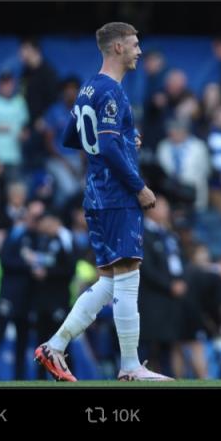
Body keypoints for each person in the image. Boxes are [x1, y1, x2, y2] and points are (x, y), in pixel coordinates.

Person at [34, 22, 172, 382]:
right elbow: (106, 145)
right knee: (128, 277)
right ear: (118, 48)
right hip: (116, 196)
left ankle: (54, 346)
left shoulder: (88, 87)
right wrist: (139, 186)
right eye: (135, 44)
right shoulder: (112, 90)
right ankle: (130, 366)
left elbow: (71, 136)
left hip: (95, 194)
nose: (139, 51)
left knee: (110, 282)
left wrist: (123, 137)